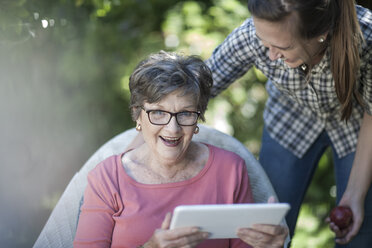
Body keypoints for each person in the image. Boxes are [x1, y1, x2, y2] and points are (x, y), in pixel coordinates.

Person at [73, 51, 288, 248]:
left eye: (185, 113)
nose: (173, 128)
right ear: (138, 115)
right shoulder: (107, 178)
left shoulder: (230, 169)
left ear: (198, 117)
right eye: (158, 112)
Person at [205, 0, 372, 246]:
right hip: (288, 122)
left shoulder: (366, 38)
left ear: (321, 35)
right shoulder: (251, 35)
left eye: (282, 46)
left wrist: (355, 195)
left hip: (356, 125)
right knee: (265, 227)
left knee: (359, 232)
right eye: (265, 44)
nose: (271, 55)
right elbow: (201, 85)